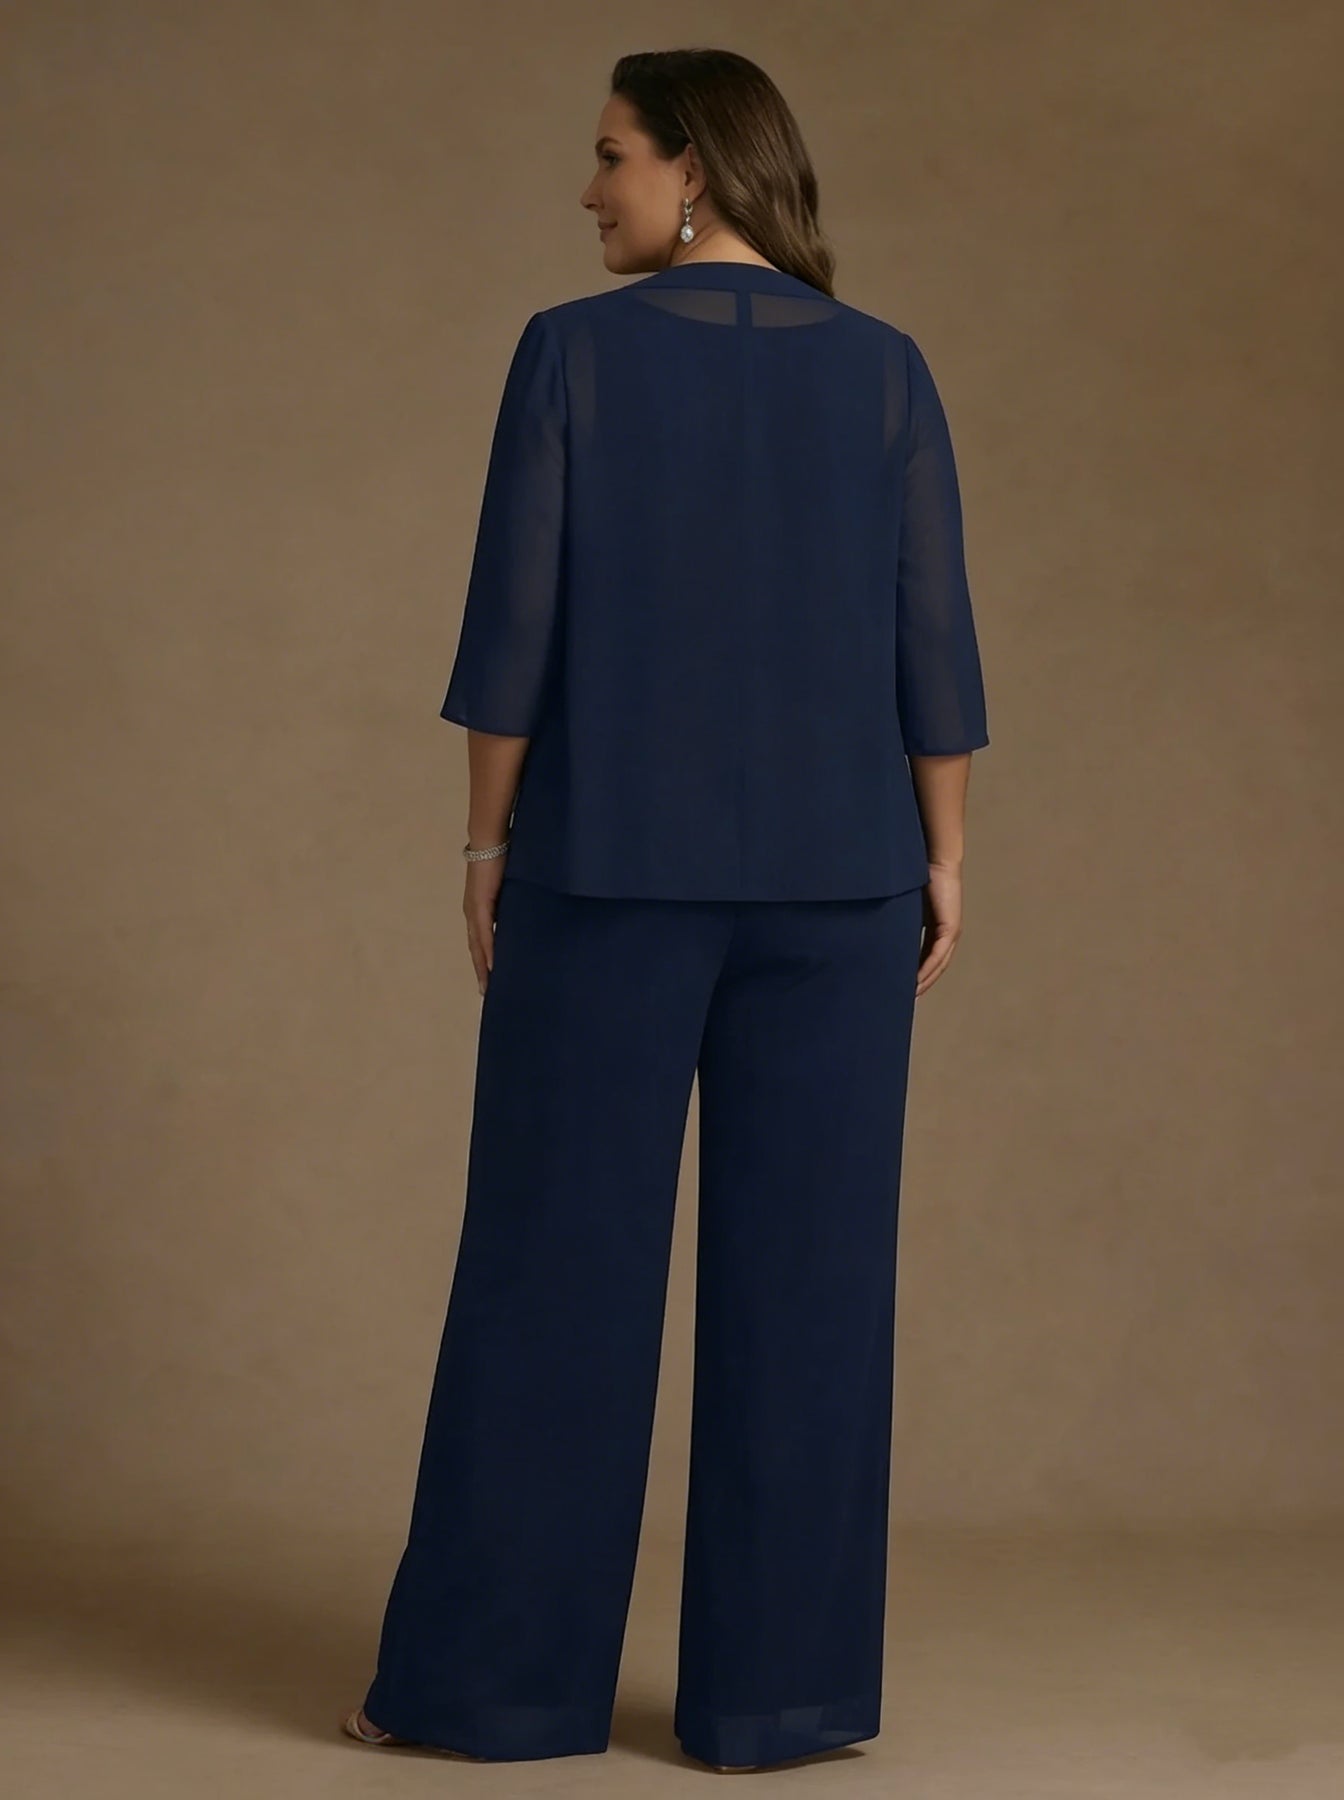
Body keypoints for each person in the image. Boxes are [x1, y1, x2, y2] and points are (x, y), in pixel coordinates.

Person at [343, 45, 989, 1774]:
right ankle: (780, 1705)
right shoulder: (886, 372)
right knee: (813, 1301)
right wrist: (943, 859)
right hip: (845, 890)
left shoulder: (572, 355)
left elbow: (514, 633)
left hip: (606, 880)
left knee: (552, 1281)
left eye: (613, 155)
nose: (592, 189)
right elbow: (935, 641)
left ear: (695, 167)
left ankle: (493, 1693)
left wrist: (481, 850)